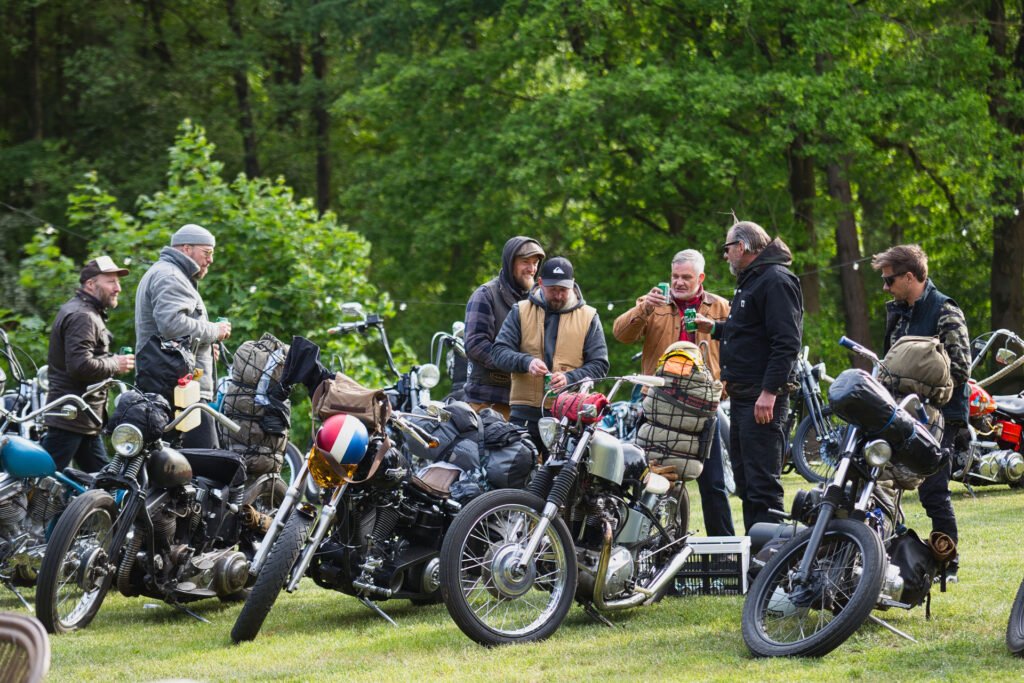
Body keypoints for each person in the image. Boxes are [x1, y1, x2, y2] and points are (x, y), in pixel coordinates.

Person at [612, 249, 735, 536]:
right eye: (675, 276)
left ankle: (724, 551)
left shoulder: (719, 307)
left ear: (700, 278)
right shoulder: (652, 303)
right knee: (654, 482)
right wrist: (643, 309)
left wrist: (724, 387)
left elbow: (736, 347)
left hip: (702, 410)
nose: (679, 282)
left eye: (686, 277)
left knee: (713, 483)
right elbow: (621, 334)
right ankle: (650, 549)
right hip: (659, 408)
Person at [697, 221, 803, 532]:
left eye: (727, 248)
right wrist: (714, 328)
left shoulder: (776, 280)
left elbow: (786, 343)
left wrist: (769, 392)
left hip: (762, 399)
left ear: (741, 247)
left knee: (763, 487)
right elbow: (750, 332)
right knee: (745, 483)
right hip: (744, 397)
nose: (725, 255)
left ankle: (771, 566)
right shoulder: (753, 280)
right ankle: (757, 562)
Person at [871, 244, 968, 582]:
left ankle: (948, 563)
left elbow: (960, 370)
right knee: (879, 483)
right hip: (899, 416)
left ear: (910, 277)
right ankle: (883, 557)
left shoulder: (945, 310)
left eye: (890, 280)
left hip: (940, 419)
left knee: (933, 492)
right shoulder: (900, 311)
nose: (886, 287)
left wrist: (921, 391)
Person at [492, 256, 609, 454]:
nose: (558, 295)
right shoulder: (520, 311)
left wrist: (569, 378)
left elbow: (600, 365)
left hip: (570, 414)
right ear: (540, 283)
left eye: (563, 290)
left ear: (572, 285)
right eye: (552, 289)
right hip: (524, 412)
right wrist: (526, 362)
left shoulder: (589, 316)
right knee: (517, 472)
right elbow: (498, 352)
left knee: (562, 478)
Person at [135, 224, 231, 448]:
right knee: (207, 463)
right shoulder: (171, 276)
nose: (211, 260)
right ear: (186, 249)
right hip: (178, 390)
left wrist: (202, 348)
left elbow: (173, 334)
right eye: (207, 253)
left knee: (172, 461)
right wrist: (214, 331)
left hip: (170, 383)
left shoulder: (168, 272)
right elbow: (173, 325)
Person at [42, 256, 135, 471]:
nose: (118, 288)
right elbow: (79, 366)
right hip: (71, 416)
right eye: (111, 282)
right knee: (42, 483)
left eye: (118, 282)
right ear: (91, 284)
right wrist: (116, 364)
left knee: (102, 481)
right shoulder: (83, 316)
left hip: (82, 418)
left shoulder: (86, 312)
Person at [463, 237, 546, 419]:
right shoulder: (485, 295)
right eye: (525, 262)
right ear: (510, 263)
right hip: (488, 404)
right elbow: (475, 345)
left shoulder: (540, 300)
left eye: (535, 263)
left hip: (528, 405)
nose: (532, 269)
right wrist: (517, 362)